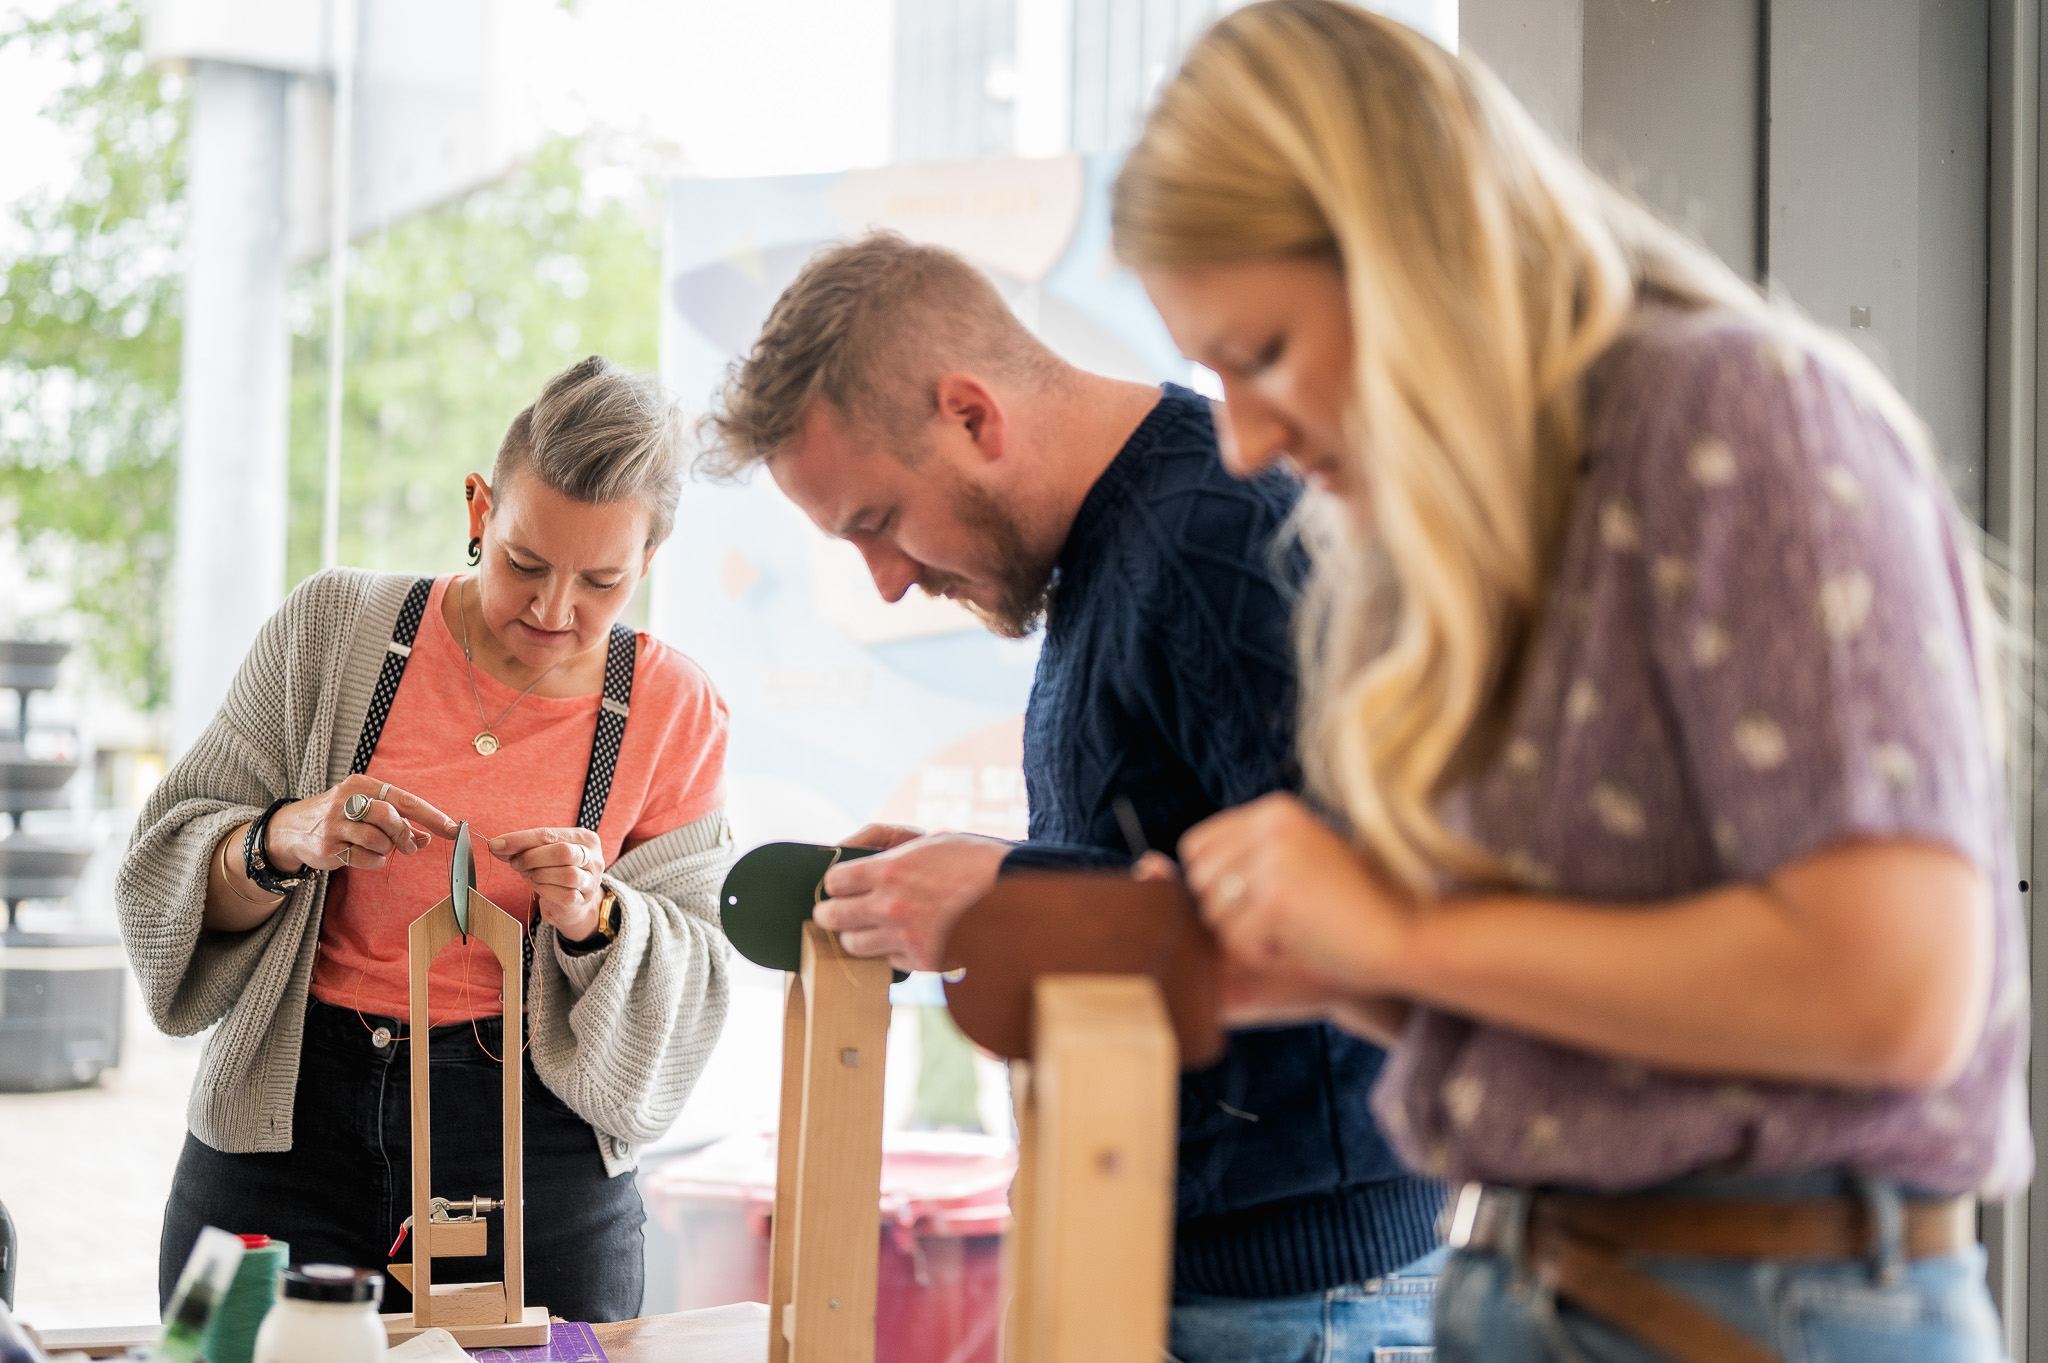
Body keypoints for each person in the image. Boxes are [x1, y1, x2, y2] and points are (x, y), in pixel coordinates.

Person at [1112, 3, 2031, 1361]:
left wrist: (1400, 933)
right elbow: (1592, 1008)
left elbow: (1892, 988)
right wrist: (1326, 957)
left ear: (1416, 246)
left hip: (1768, 1304)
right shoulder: (1468, 527)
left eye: (1263, 357)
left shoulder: (1730, 412)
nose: (1240, 442)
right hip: (1553, 1279)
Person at [698, 232, 1445, 1362]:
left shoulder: (1214, 538)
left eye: (875, 522)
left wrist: (1009, 892)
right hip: (1193, 1269)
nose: (888, 581)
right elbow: (1190, 851)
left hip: (1306, 1298)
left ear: (971, 415)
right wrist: (983, 878)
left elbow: (1362, 905)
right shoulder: (1109, 545)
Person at [119, 356, 733, 1322]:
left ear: (648, 562)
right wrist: (285, 837)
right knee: (222, 1351)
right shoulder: (334, 626)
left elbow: (698, 971)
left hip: (537, 1158)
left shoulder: (672, 706)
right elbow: (165, 862)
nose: (552, 609)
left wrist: (599, 916)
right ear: (479, 506)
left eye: (602, 582)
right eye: (524, 561)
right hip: (284, 1123)